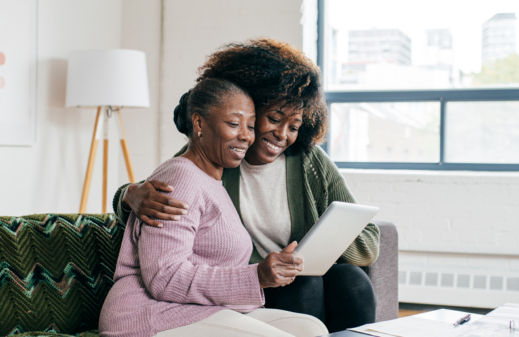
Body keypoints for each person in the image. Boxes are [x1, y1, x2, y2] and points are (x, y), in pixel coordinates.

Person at [113, 39, 380, 333]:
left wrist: (320, 243)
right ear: (252, 105)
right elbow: (168, 187)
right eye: (273, 119)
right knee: (306, 285)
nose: (281, 135)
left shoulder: (309, 162)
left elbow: (368, 240)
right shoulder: (214, 159)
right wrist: (128, 194)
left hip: (287, 274)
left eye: (293, 126)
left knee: (352, 281)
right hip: (249, 283)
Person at [99, 78, 328, 337]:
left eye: (251, 126)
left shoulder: (213, 181)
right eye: (233, 123)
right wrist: (258, 276)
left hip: (200, 310)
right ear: (199, 123)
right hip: (150, 316)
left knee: (311, 329)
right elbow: (165, 278)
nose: (245, 136)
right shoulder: (180, 179)